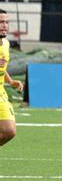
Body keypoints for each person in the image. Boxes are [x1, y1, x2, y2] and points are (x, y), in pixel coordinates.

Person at [0, 9, 23, 146]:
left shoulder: (6, 44)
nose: (5, 25)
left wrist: (11, 81)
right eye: (1, 22)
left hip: (1, 91)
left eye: (6, 22)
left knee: (9, 131)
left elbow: (3, 68)